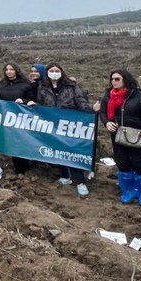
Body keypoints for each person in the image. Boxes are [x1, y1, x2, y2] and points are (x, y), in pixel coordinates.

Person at [96, 70, 141, 205]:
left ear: (126, 79)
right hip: (118, 134)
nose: (113, 81)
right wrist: (107, 122)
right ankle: (129, 190)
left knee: (138, 163)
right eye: (112, 79)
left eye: (117, 79)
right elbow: (103, 112)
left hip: (138, 134)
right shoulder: (109, 95)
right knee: (122, 163)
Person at [31, 63, 94, 196]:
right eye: (51, 71)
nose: (54, 73)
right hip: (52, 124)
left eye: (57, 70)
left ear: (61, 72)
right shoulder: (43, 87)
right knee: (58, 151)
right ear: (47, 73)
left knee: (71, 152)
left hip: (69, 124)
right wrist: (34, 105)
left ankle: (80, 182)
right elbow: (41, 103)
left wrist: (91, 108)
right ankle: (65, 176)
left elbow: (80, 101)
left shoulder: (71, 86)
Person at [0, 63, 35, 176]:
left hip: (22, 118)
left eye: (11, 69)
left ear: (16, 70)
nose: (9, 72)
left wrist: (24, 101)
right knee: (12, 142)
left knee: (22, 141)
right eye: (6, 70)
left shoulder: (26, 84)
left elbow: (32, 98)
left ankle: (24, 165)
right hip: (6, 118)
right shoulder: (1, 84)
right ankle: (17, 167)